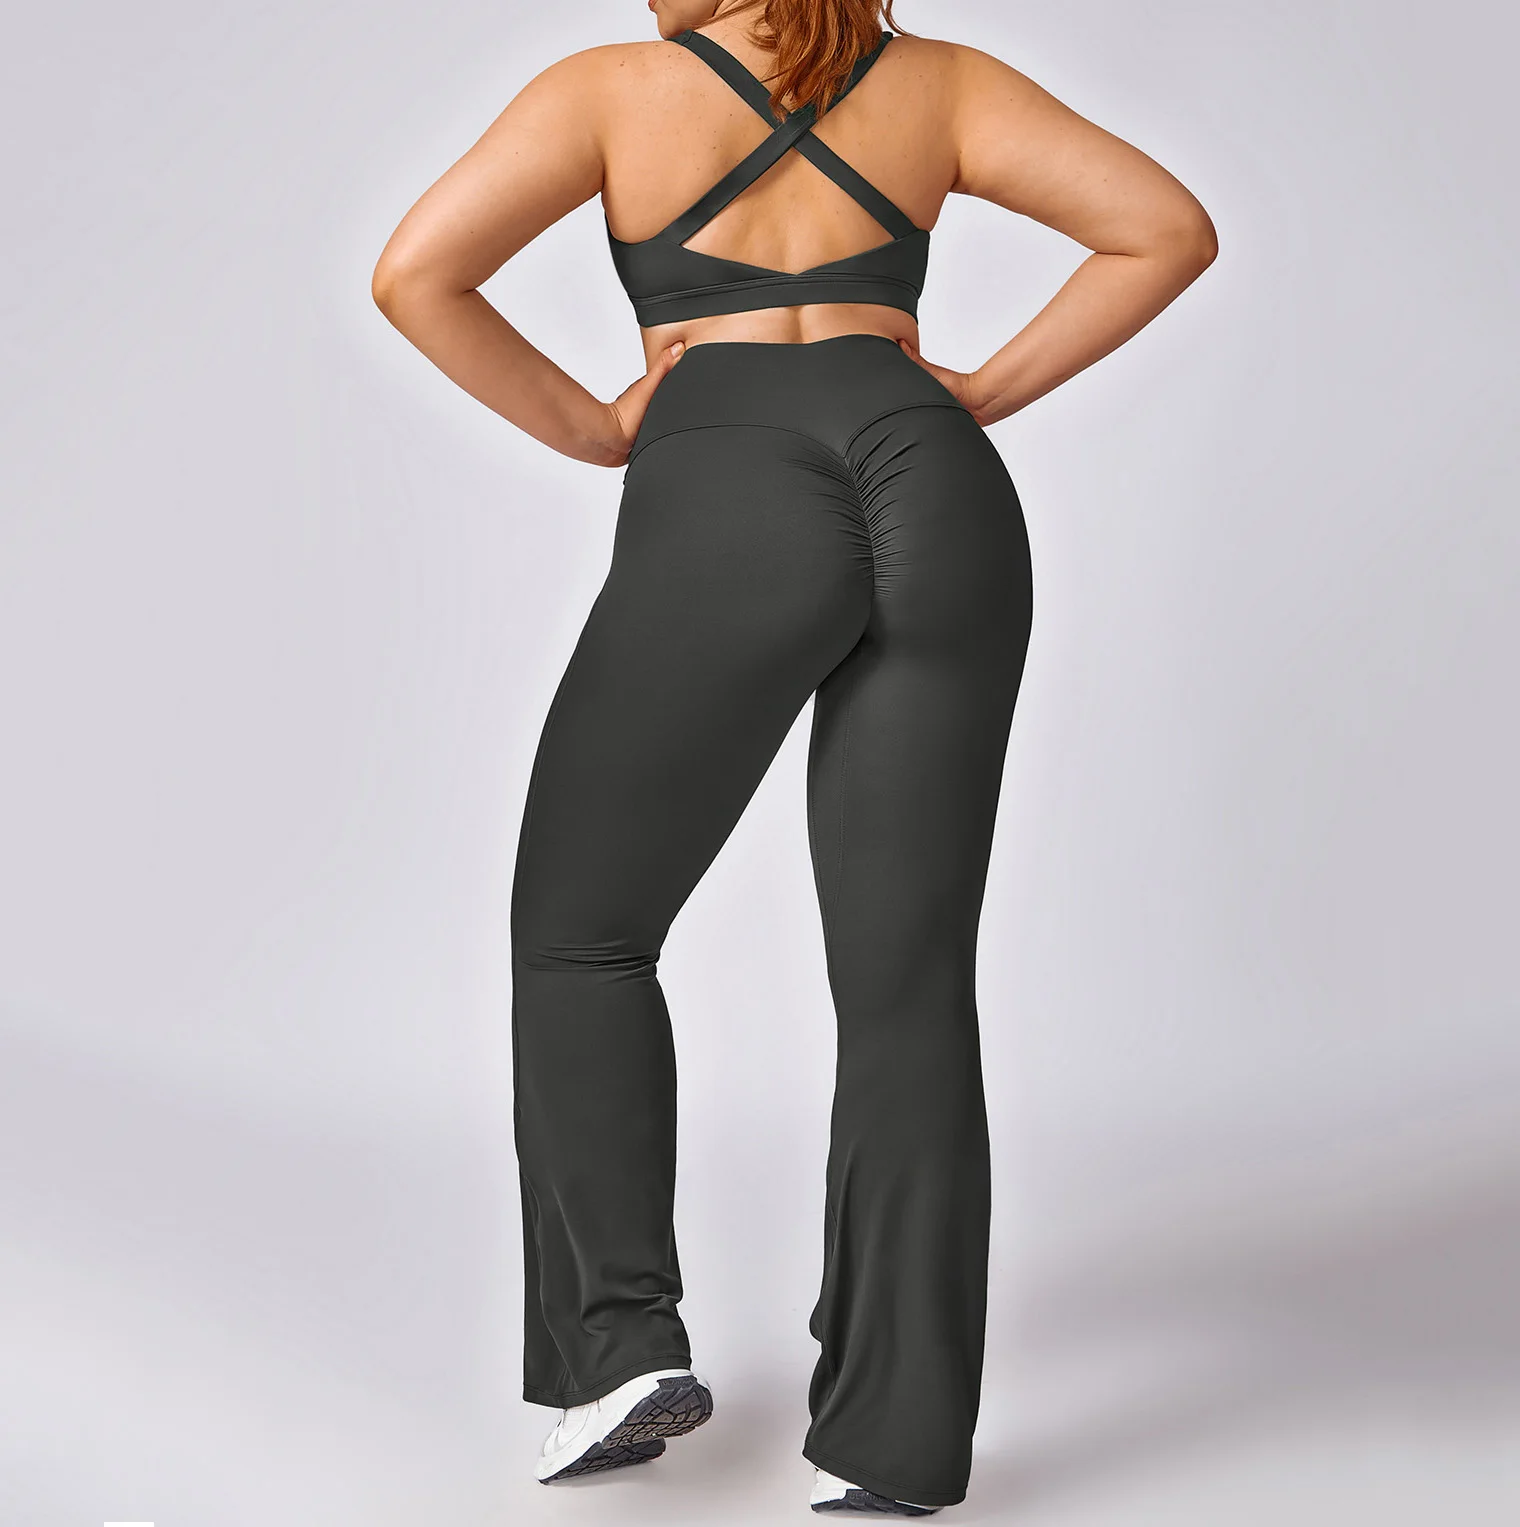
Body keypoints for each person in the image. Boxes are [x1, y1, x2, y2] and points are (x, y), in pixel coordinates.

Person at [371, 0, 1216, 1513]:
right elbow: (1165, 228)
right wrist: (974, 394)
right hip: (940, 482)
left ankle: (617, 1350)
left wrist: (595, 426)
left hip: (732, 484)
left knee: (579, 934)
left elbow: (413, 274)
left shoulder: (611, 90)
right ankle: (899, 1441)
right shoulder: (942, 83)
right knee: (908, 988)